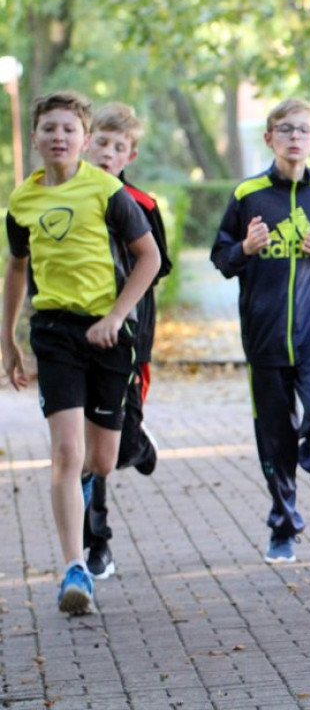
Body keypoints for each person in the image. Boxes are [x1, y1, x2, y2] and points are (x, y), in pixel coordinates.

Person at [2, 91, 161, 615]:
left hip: (109, 334)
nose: (58, 137)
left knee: (101, 460)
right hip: (55, 333)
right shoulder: (21, 203)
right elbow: (18, 271)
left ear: (84, 140)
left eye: (69, 129)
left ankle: (90, 490)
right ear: (35, 137)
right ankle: (75, 569)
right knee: (66, 454)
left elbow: (149, 259)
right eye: (49, 128)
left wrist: (116, 317)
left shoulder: (107, 190)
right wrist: (8, 339)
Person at [211, 97, 310, 565]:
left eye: (304, 130)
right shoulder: (247, 194)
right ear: (270, 137)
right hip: (264, 338)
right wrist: (246, 249)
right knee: (274, 438)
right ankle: (284, 526)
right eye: (285, 129)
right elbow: (221, 257)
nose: (295, 137)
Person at [82, 102, 174, 580]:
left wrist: (131, 328)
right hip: (73, 336)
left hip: (129, 341)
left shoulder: (143, 205)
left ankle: (138, 446)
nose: (108, 152)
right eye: (101, 142)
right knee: (79, 447)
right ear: (85, 141)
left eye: (119, 147)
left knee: (117, 448)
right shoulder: (67, 198)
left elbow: (155, 270)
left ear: (130, 155)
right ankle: (95, 540)